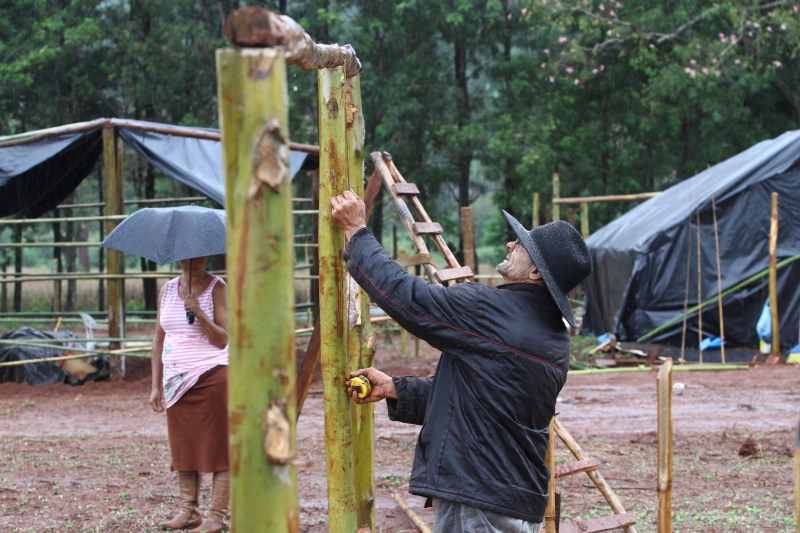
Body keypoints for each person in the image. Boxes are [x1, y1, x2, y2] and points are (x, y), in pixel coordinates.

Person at [331, 190, 592, 533]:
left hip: (479, 499)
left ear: (535, 275)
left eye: (521, 245)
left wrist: (357, 232)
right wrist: (396, 389)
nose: (510, 245)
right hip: (516, 500)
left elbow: (405, 297)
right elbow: (482, 406)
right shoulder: (555, 340)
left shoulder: (490, 311)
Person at [149, 256, 230, 533]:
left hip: (213, 377)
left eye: (197, 257)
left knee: (220, 448)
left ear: (206, 257)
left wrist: (199, 311)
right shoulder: (167, 289)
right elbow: (159, 340)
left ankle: (216, 517)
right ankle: (188, 512)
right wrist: (155, 385)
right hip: (176, 382)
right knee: (183, 448)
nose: (191, 262)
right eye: (185, 257)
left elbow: (222, 339)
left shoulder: (218, 288)